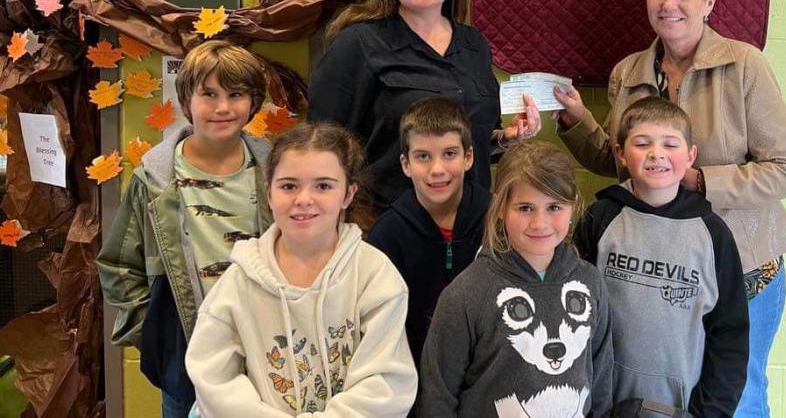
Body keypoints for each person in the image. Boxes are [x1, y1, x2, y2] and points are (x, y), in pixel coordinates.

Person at [554, 0, 786, 418]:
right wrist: (577, 121)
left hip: (744, 268)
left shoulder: (745, 65)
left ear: (709, 1)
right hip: (658, 270)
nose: (669, 4)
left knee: (740, 396)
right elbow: (619, 161)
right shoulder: (628, 71)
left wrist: (699, 180)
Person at [308, 0, 540, 212]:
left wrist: (505, 139)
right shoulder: (358, 44)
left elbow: (474, 140)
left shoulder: (474, 44)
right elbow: (324, 144)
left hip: (469, 222)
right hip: (388, 222)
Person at [185, 123, 417, 417]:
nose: (304, 199)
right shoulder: (239, 282)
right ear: (269, 193)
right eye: (289, 186)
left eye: (323, 186)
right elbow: (214, 380)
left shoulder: (374, 276)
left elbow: (385, 385)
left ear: (348, 194)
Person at [97, 40, 270, 418]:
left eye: (236, 94)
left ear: (253, 102)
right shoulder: (153, 181)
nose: (222, 107)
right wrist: (155, 335)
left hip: (265, 354)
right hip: (186, 358)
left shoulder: (276, 172)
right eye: (209, 94)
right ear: (187, 99)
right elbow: (118, 265)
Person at [574, 97, 748, 416]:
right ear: (620, 153)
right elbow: (575, 312)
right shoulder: (600, 219)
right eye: (642, 143)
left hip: (679, 407)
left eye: (670, 144)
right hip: (600, 402)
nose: (657, 153)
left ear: (690, 156)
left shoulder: (713, 235)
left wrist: (710, 412)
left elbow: (729, 333)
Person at [418, 140, 614, 418]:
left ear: (573, 207)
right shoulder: (465, 293)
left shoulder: (590, 281)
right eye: (525, 208)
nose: (540, 223)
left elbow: (601, 380)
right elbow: (438, 397)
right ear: (501, 208)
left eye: (554, 207)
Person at [366, 97, 490, 374]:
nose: (437, 170)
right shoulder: (386, 236)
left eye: (449, 154)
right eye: (423, 156)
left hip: (485, 375)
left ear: (468, 157)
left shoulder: (496, 221)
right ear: (405, 164)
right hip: (414, 373)